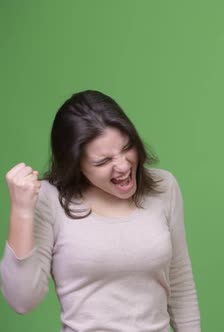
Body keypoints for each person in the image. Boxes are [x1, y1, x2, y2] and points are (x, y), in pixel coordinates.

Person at [1, 90, 201, 332]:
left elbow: (180, 285)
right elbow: (23, 300)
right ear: (75, 163)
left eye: (127, 148)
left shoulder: (163, 187)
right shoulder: (48, 198)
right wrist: (22, 211)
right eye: (103, 161)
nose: (123, 166)